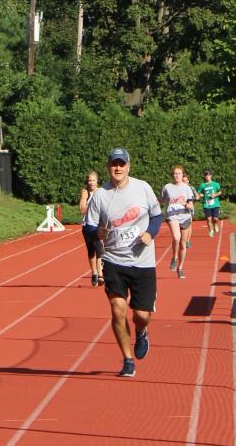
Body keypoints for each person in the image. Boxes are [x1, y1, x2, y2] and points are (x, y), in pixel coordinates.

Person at [87, 148, 163, 378]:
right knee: (117, 310)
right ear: (108, 167)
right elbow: (89, 226)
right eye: (114, 164)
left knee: (142, 315)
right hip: (114, 260)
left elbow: (157, 215)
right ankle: (128, 360)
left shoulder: (143, 187)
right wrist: (96, 232)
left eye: (122, 164)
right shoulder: (100, 195)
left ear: (128, 166)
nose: (118, 168)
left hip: (143, 261)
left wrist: (150, 233)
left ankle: (141, 331)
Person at [161, 165, 196, 278]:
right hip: (172, 216)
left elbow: (191, 205)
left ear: (182, 175)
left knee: (183, 244)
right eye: (175, 173)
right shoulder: (167, 187)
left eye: (179, 174)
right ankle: (175, 257)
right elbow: (162, 200)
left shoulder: (187, 188)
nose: (177, 176)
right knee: (176, 237)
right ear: (172, 175)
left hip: (185, 216)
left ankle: (180, 268)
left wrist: (185, 204)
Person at [78, 170, 104, 287]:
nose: (92, 183)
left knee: (99, 249)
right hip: (87, 225)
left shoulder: (101, 192)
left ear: (97, 181)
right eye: (89, 180)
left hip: (98, 225)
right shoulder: (85, 193)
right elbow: (82, 209)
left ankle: (100, 275)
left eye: (93, 180)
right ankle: (94, 273)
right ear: (87, 181)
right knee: (91, 250)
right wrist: (91, 203)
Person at [196, 169, 223, 238]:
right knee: (208, 219)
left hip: (215, 204)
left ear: (211, 175)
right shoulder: (202, 185)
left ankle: (215, 224)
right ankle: (211, 231)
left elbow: (220, 192)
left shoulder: (215, 184)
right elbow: (199, 193)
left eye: (209, 175)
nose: (207, 176)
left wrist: (215, 195)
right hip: (206, 204)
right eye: (206, 175)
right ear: (204, 176)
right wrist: (200, 195)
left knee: (215, 218)